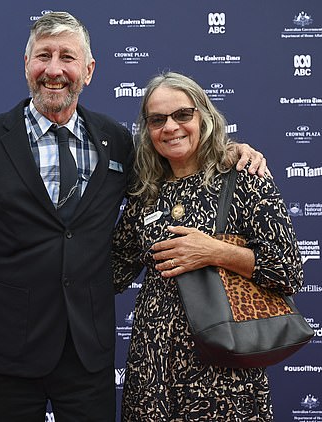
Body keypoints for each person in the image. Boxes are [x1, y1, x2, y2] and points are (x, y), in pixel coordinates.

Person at [0, 13, 267, 421]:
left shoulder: (116, 141)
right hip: (7, 352)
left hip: (87, 354)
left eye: (67, 58)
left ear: (88, 71)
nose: (54, 69)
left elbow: (174, 169)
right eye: (43, 56)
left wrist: (229, 151)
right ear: (26, 65)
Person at [112, 71, 304, 421]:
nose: (170, 127)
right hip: (152, 371)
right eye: (157, 119)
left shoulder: (244, 175)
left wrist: (214, 251)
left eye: (182, 115)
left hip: (223, 373)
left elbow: (288, 269)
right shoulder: (145, 193)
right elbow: (113, 269)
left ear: (204, 116)